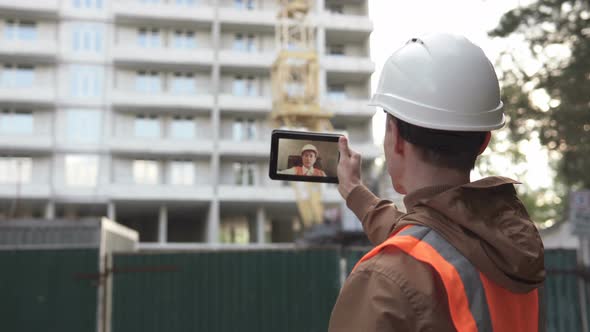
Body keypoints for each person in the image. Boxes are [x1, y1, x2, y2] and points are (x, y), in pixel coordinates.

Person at [329, 33, 546, 331]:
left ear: (396, 139)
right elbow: (428, 233)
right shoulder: (510, 249)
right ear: (484, 140)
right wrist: (355, 192)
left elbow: (422, 243)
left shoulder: (383, 281)